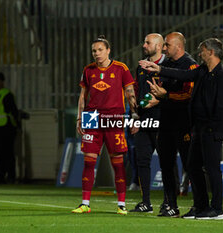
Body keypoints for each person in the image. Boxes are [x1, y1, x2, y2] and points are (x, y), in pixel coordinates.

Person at [140, 38, 223, 220]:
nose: (200, 54)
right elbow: (183, 75)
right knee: (193, 166)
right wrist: (159, 69)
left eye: (203, 51)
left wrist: (209, 127)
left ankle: (217, 209)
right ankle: (201, 206)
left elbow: (221, 107)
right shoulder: (204, 71)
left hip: (211, 130)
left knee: (212, 169)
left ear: (211, 52)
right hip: (198, 128)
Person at [73, 35, 137, 215]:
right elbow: (82, 96)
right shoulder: (88, 70)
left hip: (114, 116)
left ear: (108, 50)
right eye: (94, 50)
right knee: (88, 160)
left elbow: (130, 93)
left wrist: (135, 115)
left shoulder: (121, 68)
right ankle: (85, 203)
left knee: (117, 163)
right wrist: (80, 118)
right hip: (91, 117)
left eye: (100, 50)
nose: (97, 53)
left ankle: (121, 204)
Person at [149, 32, 198, 217]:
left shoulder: (190, 65)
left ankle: (198, 204)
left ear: (178, 46)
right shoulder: (166, 65)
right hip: (166, 121)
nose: (163, 48)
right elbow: (162, 91)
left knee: (189, 164)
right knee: (166, 164)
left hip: (184, 123)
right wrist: (156, 97)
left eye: (167, 45)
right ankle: (170, 204)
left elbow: (188, 95)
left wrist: (165, 96)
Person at [129, 33, 165, 213]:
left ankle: (169, 202)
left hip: (163, 119)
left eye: (147, 42)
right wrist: (135, 116)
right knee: (142, 160)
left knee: (167, 161)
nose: (144, 45)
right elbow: (136, 90)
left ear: (159, 46)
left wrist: (159, 101)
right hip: (144, 120)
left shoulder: (168, 66)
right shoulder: (141, 67)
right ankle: (146, 203)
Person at [0, 72, 19, 184]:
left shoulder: (6, 95)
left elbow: (13, 111)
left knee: (8, 153)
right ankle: (0, 176)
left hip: (5, 127)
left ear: (2, 81)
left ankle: (11, 176)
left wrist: (17, 126)